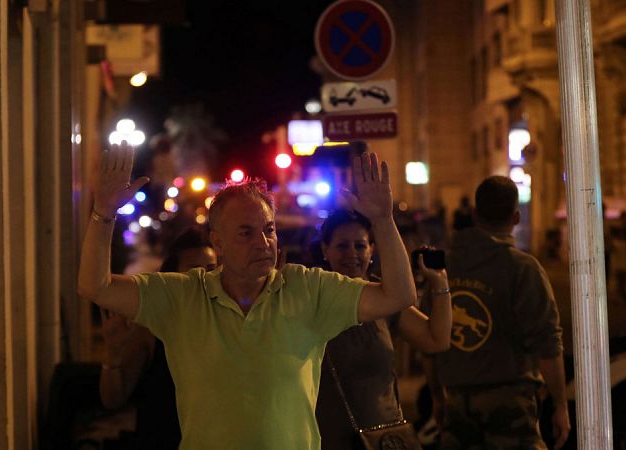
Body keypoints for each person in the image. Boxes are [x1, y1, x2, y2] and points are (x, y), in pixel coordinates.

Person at [78, 145, 417, 449]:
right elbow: (96, 287)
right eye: (246, 233)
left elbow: (398, 296)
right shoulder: (181, 295)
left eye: (269, 230)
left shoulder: (308, 289)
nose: (264, 242)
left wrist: (384, 221)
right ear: (218, 243)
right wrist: (103, 215)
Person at [424, 176, 570, 450]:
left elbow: (428, 338)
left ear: (475, 215)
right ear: (515, 217)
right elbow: (547, 342)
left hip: (457, 400)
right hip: (510, 402)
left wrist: (437, 395)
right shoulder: (522, 268)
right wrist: (560, 405)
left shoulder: (445, 267)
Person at [315, 209, 451, 450]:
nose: (352, 254)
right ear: (326, 250)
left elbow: (436, 339)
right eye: (342, 246)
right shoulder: (313, 299)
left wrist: (440, 283)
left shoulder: (386, 299)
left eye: (360, 245)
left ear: (372, 249)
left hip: (386, 440)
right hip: (331, 438)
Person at [99, 227, 217, 450]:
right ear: (173, 274)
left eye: (211, 269)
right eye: (194, 270)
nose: (204, 277)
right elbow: (113, 399)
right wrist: (113, 353)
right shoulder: (151, 326)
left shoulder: (225, 321)